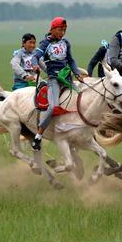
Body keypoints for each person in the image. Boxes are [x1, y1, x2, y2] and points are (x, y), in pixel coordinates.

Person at [30, 17, 84, 151]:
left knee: (83, 98)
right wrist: (35, 65)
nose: (62, 32)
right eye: (60, 29)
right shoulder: (45, 43)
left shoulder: (66, 43)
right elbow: (35, 57)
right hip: (54, 79)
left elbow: (71, 60)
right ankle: (38, 135)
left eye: (64, 30)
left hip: (67, 78)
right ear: (52, 29)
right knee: (53, 107)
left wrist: (77, 73)